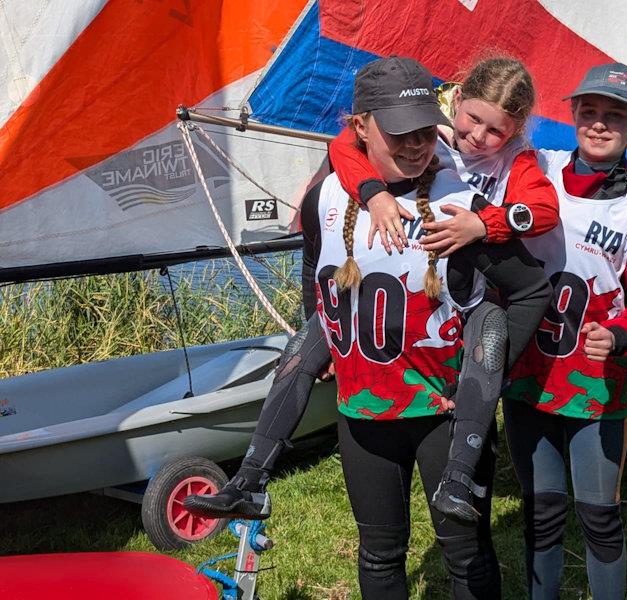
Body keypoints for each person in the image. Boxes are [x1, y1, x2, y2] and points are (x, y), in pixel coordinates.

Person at [186, 56, 552, 599]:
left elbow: (529, 291)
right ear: (360, 128)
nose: (417, 145)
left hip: (441, 416)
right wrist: (330, 340)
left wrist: (483, 374)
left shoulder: (457, 205)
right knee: (379, 556)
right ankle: (251, 476)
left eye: (427, 131)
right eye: (401, 133)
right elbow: (317, 273)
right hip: (364, 415)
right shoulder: (325, 196)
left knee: (466, 554)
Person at [327, 56, 560, 521]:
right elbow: (343, 147)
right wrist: (374, 193)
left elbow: (544, 209)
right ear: (455, 99)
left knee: (464, 541)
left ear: (514, 133)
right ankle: (256, 468)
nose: (478, 137)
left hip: (480, 296)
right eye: (473, 120)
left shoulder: (518, 161)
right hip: (413, 311)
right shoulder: (429, 131)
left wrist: (484, 223)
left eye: (496, 131)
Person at [497, 63, 627, 600]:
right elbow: (465, 136)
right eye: (589, 112)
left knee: (598, 514)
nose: (599, 124)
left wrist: (624, 334)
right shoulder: (536, 169)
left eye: (614, 115)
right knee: (542, 509)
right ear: (573, 114)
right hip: (527, 374)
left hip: (597, 380)